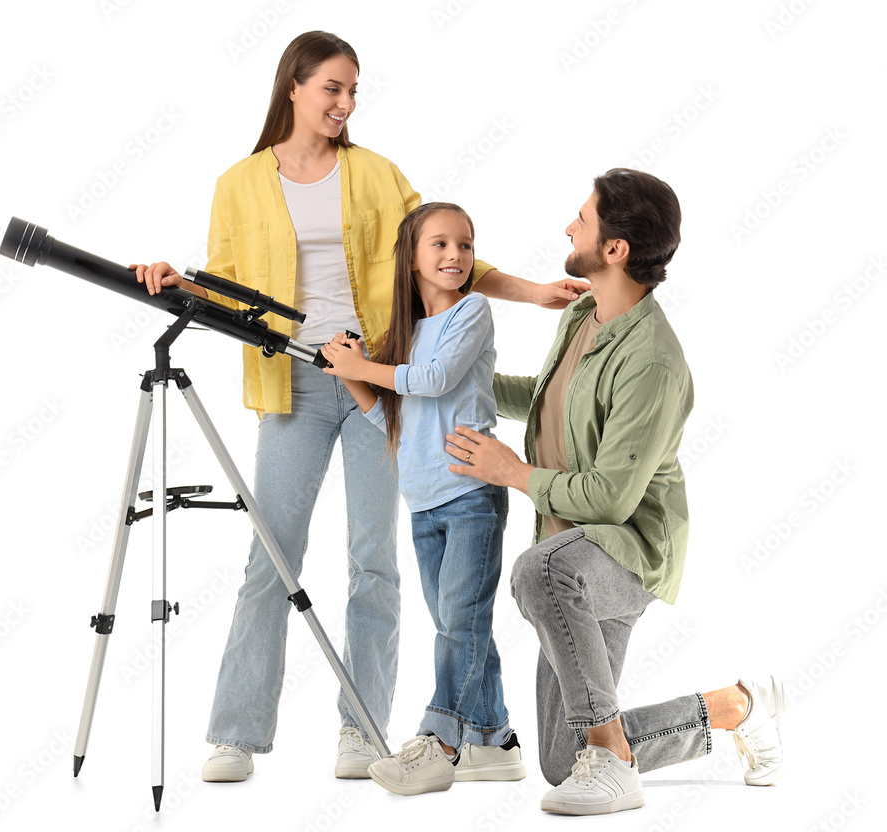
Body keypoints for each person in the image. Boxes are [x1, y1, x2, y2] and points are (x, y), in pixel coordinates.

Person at [131, 31, 590, 783]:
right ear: (294, 89)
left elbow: (448, 258)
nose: (344, 104)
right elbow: (216, 284)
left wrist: (533, 291)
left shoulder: (376, 175)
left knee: (373, 561)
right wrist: (169, 276)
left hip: (382, 382)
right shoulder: (238, 182)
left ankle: (362, 726)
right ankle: (237, 734)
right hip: (293, 387)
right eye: (331, 90)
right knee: (270, 556)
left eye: (352, 92)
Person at [443, 169, 784, 815]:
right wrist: (451, 384)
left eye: (583, 218)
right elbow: (549, 399)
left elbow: (609, 501)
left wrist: (510, 472)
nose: (569, 227)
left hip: (626, 551)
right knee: (556, 762)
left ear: (615, 248)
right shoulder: (581, 313)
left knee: (538, 570)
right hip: (573, 549)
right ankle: (737, 707)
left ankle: (611, 763)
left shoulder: (652, 360)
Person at [322, 203, 527, 796]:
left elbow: (433, 379)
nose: (455, 256)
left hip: (471, 495)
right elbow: (387, 412)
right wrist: (352, 370)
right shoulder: (406, 334)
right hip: (424, 501)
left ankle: (439, 741)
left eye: (465, 244)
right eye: (439, 245)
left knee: (459, 624)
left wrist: (369, 365)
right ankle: (495, 740)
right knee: (458, 624)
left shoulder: (472, 311)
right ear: (411, 257)